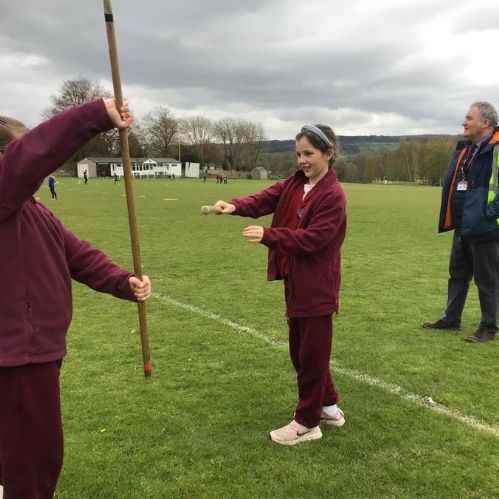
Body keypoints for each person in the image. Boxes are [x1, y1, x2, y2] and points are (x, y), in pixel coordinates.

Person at [0, 98, 152, 498]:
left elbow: (78, 255)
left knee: (19, 451)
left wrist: (123, 281)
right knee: (33, 459)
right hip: (17, 356)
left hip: (34, 351)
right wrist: (96, 115)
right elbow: (33, 154)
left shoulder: (31, 210)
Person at [212, 124, 347, 446]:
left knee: (311, 355)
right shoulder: (296, 183)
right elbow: (265, 198)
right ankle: (329, 408)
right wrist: (235, 206)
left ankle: (307, 422)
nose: (302, 160)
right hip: (296, 280)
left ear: (328, 154)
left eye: (309, 154)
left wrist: (269, 235)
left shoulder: (333, 195)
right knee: (303, 352)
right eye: (298, 153)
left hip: (318, 286)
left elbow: (312, 239)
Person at [422, 101, 499, 343]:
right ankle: (451, 318)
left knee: (486, 280)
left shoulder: (496, 150)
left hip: (485, 227)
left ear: (485, 123)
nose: (464, 122)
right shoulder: (466, 149)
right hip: (462, 224)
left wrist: (488, 214)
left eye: (469, 118)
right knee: (457, 274)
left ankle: (488, 327)